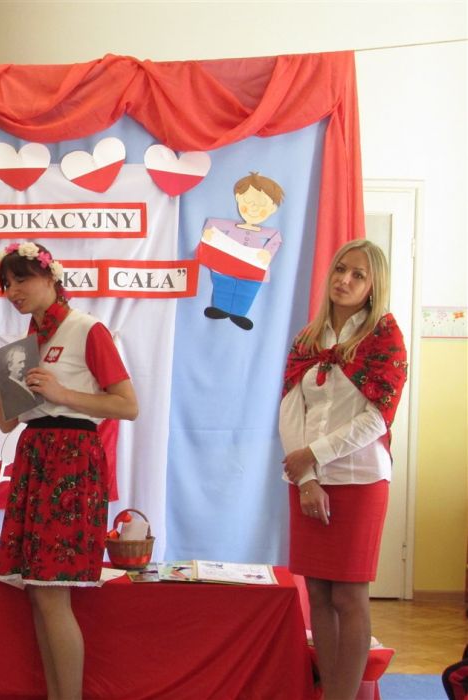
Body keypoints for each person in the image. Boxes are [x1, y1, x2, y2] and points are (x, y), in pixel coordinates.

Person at [0, 241, 138, 700]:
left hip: (72, 460)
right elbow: (6, 420)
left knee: (53, 593)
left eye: (21, 279)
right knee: (39, 591)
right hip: (35, 457)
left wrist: (63, 394)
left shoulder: (87, 329)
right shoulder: (24, 347)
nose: (12, 291)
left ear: (51, 277)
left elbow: (127, 405)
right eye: (6, 284)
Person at [279, 239, 408, 700]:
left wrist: (315, 454)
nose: (344, 280)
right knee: (318, 594)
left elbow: (377, 419)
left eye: (358, 275)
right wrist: (307, 477)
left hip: (360, 479)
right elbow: (290, 410)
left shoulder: (384, 337)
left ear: (374, 286)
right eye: (340, 269)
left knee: (348, 597)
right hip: (308, 481)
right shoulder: (307, 339)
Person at [197, 171, 284, 330]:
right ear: (238, 198)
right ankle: (220, 308)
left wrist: (267, 253)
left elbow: (276, 238)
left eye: (261, 205)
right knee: (222, 284)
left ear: (272, 209)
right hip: (227, 264)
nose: (253, 209)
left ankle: (239, 313)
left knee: (248, 289)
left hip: (253, 268)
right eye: (248, 202)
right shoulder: (231, 225)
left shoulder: (266, 232)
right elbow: (211, 223)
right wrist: (208, 233)